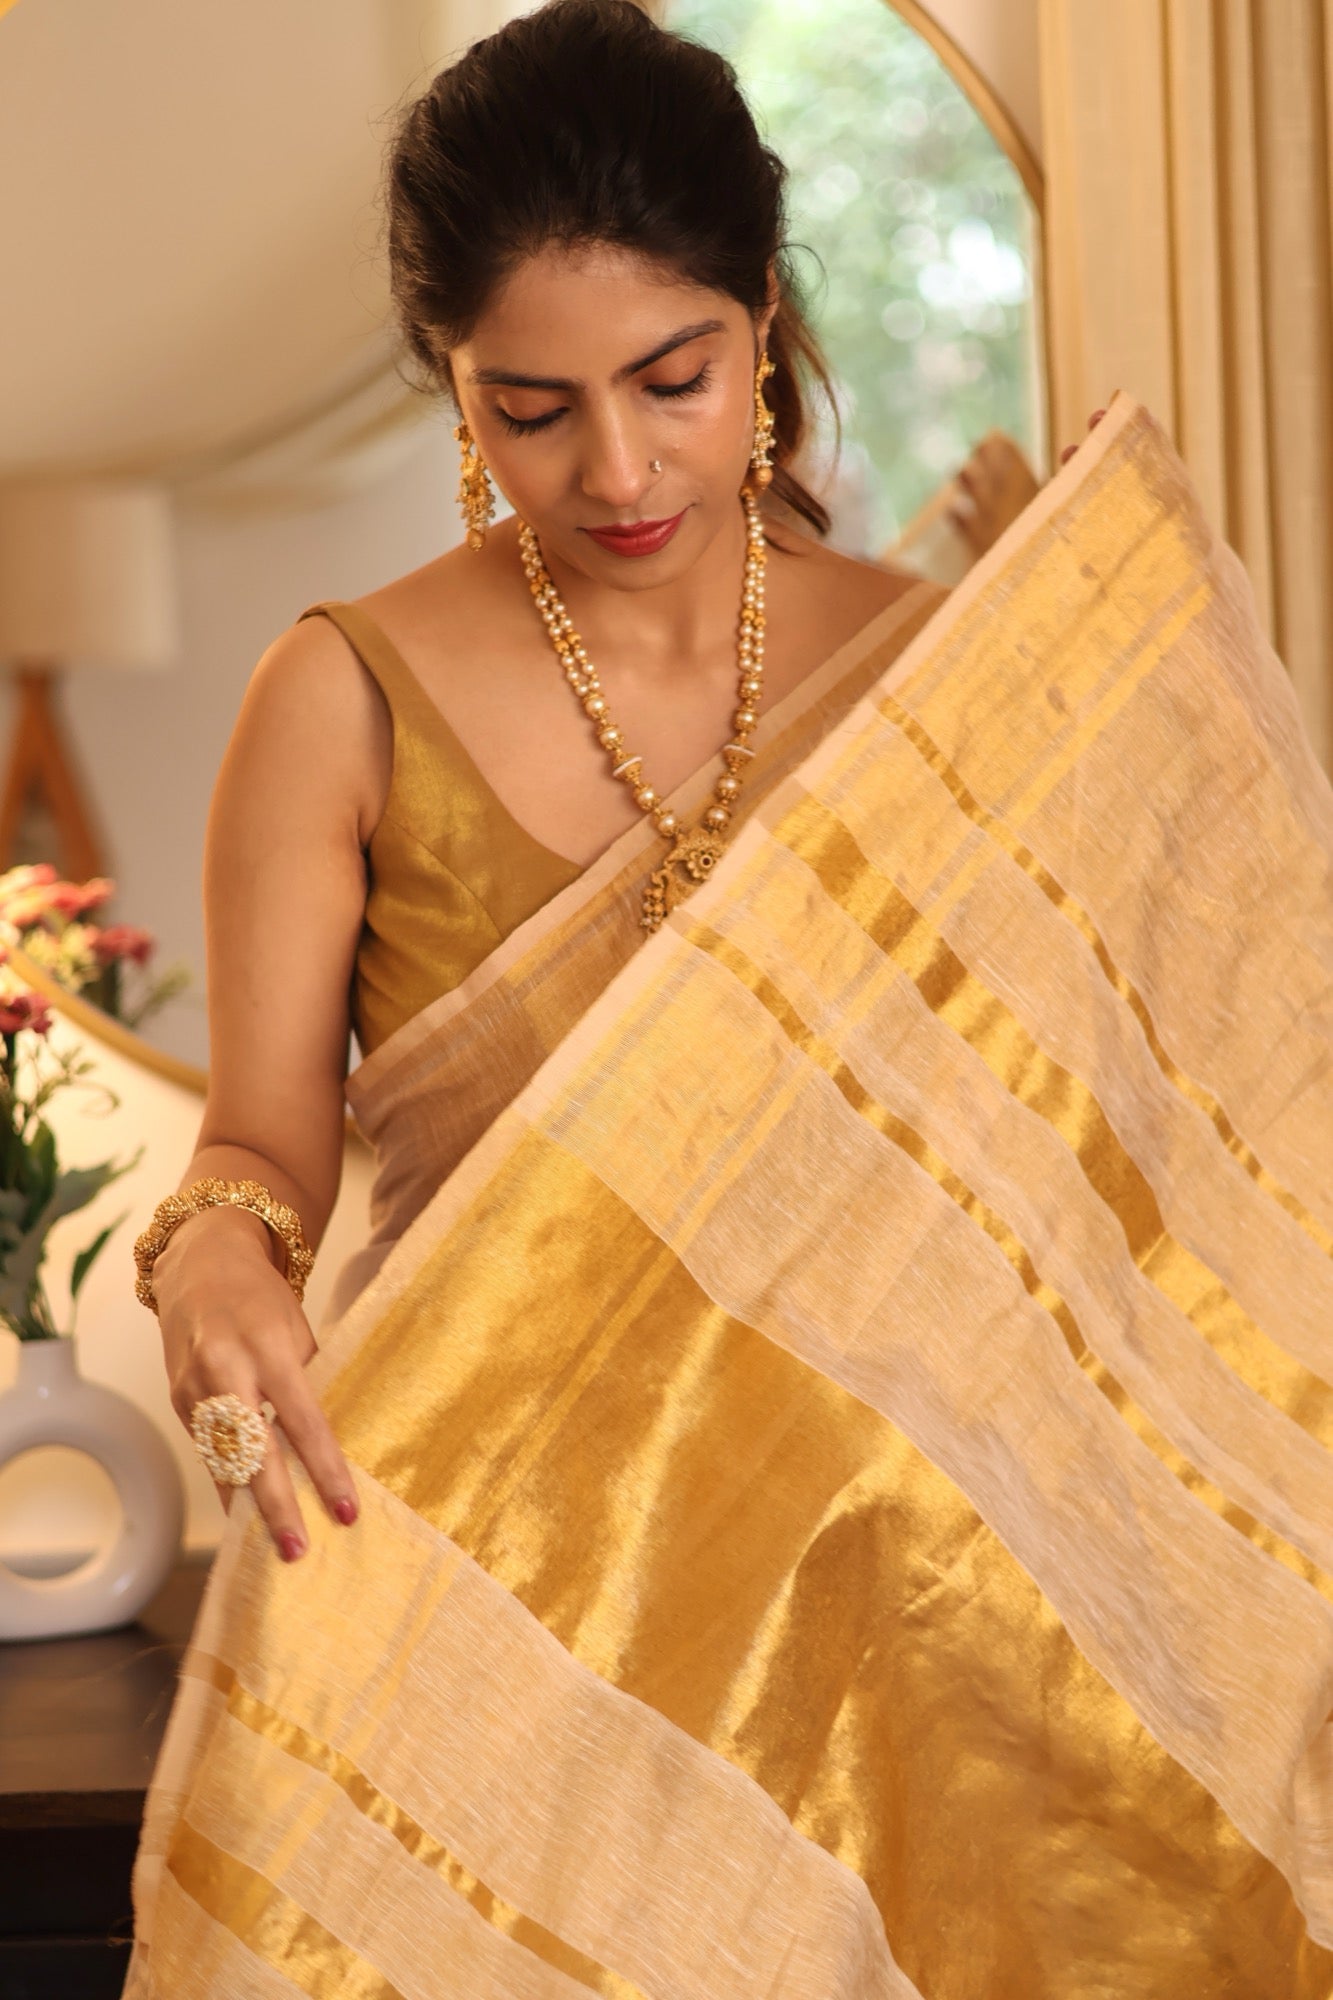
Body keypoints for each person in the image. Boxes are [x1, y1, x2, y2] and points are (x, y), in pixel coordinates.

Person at [124, 3, 1333, 1995]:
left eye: (670, 379)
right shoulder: (337, 699)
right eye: (528, 408)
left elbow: (1155, 1155)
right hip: (500, 1596)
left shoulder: (941, 679)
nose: (615, 468)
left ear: (761, 320)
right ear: (449, 374)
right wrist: (213, 1263)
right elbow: (257, 1147)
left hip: (908, 1603)